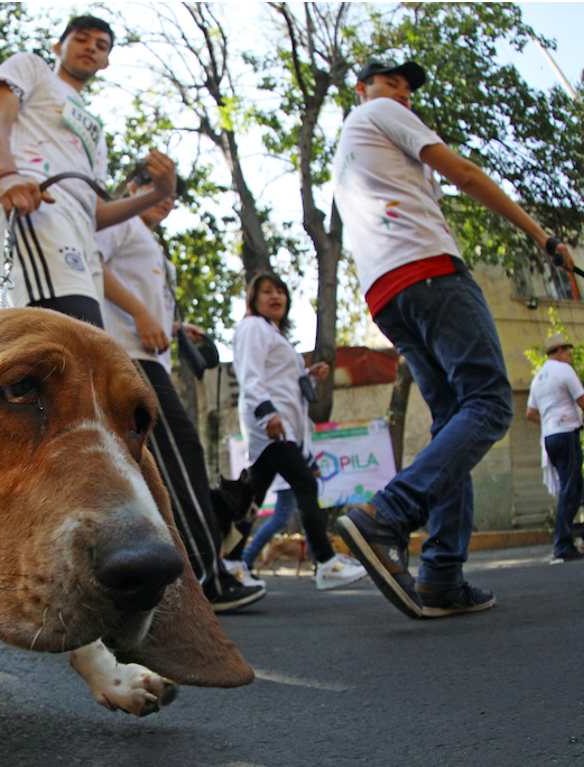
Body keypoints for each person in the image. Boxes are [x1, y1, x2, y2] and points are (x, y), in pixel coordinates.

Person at [330, 57, 572, 618]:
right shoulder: (379, 114)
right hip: (431, 273)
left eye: (408, 88)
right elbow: (465, 173)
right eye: (392, 82)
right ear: (364, 88)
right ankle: (387, 513)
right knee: (488, 403)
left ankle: (441, 574)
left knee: (453, 423)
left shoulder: (346, 158)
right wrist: (542, 236)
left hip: (388, 294)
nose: (403, 94)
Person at [96, 168, 265, 611]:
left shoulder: (146, 238)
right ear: (131, 187)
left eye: (173, 196)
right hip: (131, 358)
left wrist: (168, 325)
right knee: (181, 454)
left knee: (149, 472)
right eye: (157, 189)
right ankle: (209, 579)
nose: (167, 200)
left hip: (148, 356)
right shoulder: (118, 221)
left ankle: (177, 576)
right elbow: (91, 267)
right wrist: (141, 316)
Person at [0, 14, 177, 328]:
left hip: (80, 236)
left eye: (101, 45)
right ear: (58, 46)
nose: (90, 48)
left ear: (106, 62)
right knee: (68, 334)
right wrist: (5, 174)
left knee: (84, 345)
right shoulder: (33, 69)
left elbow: (97, 213)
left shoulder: (95, 132)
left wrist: (160, 194)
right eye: (81, 38)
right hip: (35, 205)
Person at [230, 273, 367, 592]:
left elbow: (278, 379)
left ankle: (231, 562)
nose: (275, 296)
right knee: (305, 484)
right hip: (270, 426)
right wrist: (268, 415)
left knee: (251, 498)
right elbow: (250, 375)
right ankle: (325, 561)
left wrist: (307, 375)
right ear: (253, 299)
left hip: (281, 427)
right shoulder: (253, 327)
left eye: (281, 291)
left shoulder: (272, 333)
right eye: (267, 292)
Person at [526, 333, 584, 564]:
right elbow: (582, 400)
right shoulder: (564, 370)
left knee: (574, 486)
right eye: (567, 351)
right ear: (558, 351)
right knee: (570, 489)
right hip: (567, 433)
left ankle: (571, 536)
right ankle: (562, 544)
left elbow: (530, 413)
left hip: (550, 437)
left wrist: (549, 423)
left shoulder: (538, 377)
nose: (570, 355)